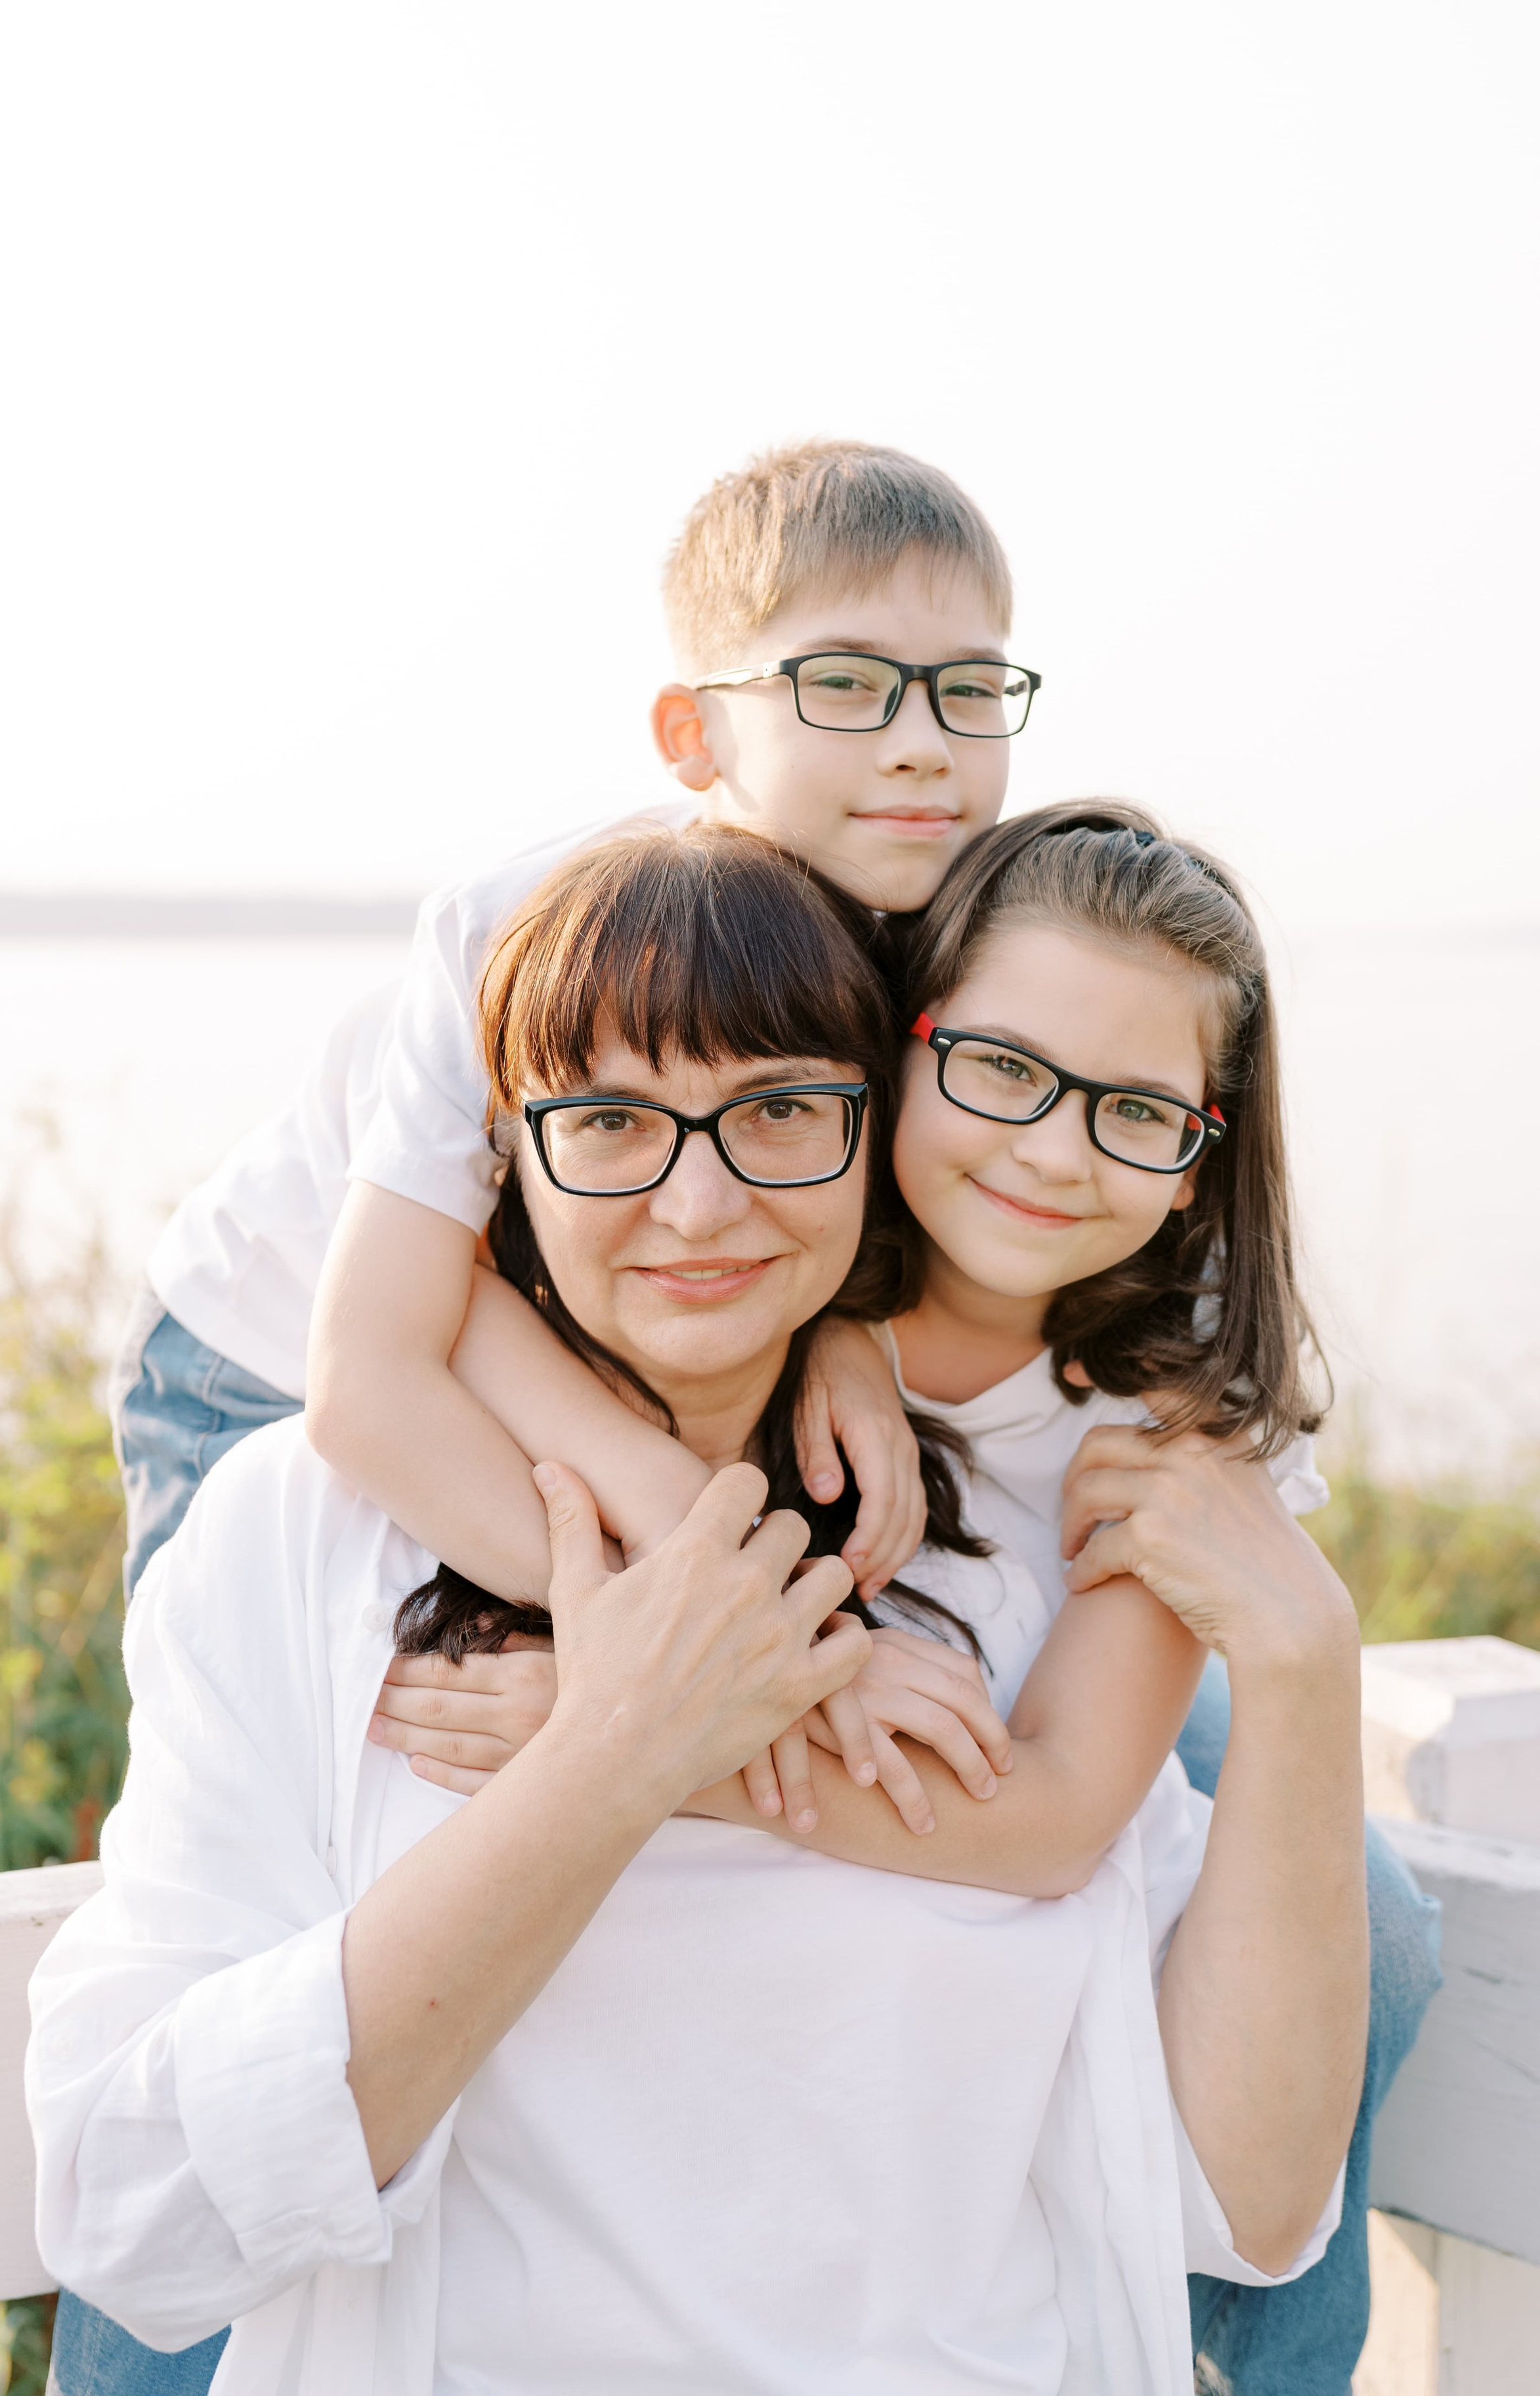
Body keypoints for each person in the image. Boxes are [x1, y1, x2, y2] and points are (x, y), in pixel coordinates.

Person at [30, 830, 1362, 2395]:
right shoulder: (310, 1544)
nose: (698, 1200)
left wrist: (1301, 1671)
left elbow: (1249, 2212)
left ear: (869, 1123)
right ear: (503, 1156)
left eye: (780, 1110)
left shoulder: (1043, 1543)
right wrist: (611, 1756)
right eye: (608, 1123)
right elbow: (136, 2214)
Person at [372, 809, 1444, 2394]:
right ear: (897, 1033)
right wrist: (744, 1624)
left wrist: (653, 1741)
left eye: (1139, 1111)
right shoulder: (752, 1228)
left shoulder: (1166, 1416)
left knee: (1385, 1938)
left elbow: (1060, 1813)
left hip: (1055, 1725)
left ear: (1205, 1140)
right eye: (1001, 1070)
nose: (1053, 1151)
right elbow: (437, 1301)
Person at [112, 438, 1029, 1601]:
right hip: (268, 1353)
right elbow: (374, 1375)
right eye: (842, 683)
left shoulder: (946, 925)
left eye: (974, 689)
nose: (922, 743)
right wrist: (745, 1657)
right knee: (330, 1715)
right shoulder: (525, 930)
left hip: (549, 1338)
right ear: (696, 736)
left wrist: (850, 1333)